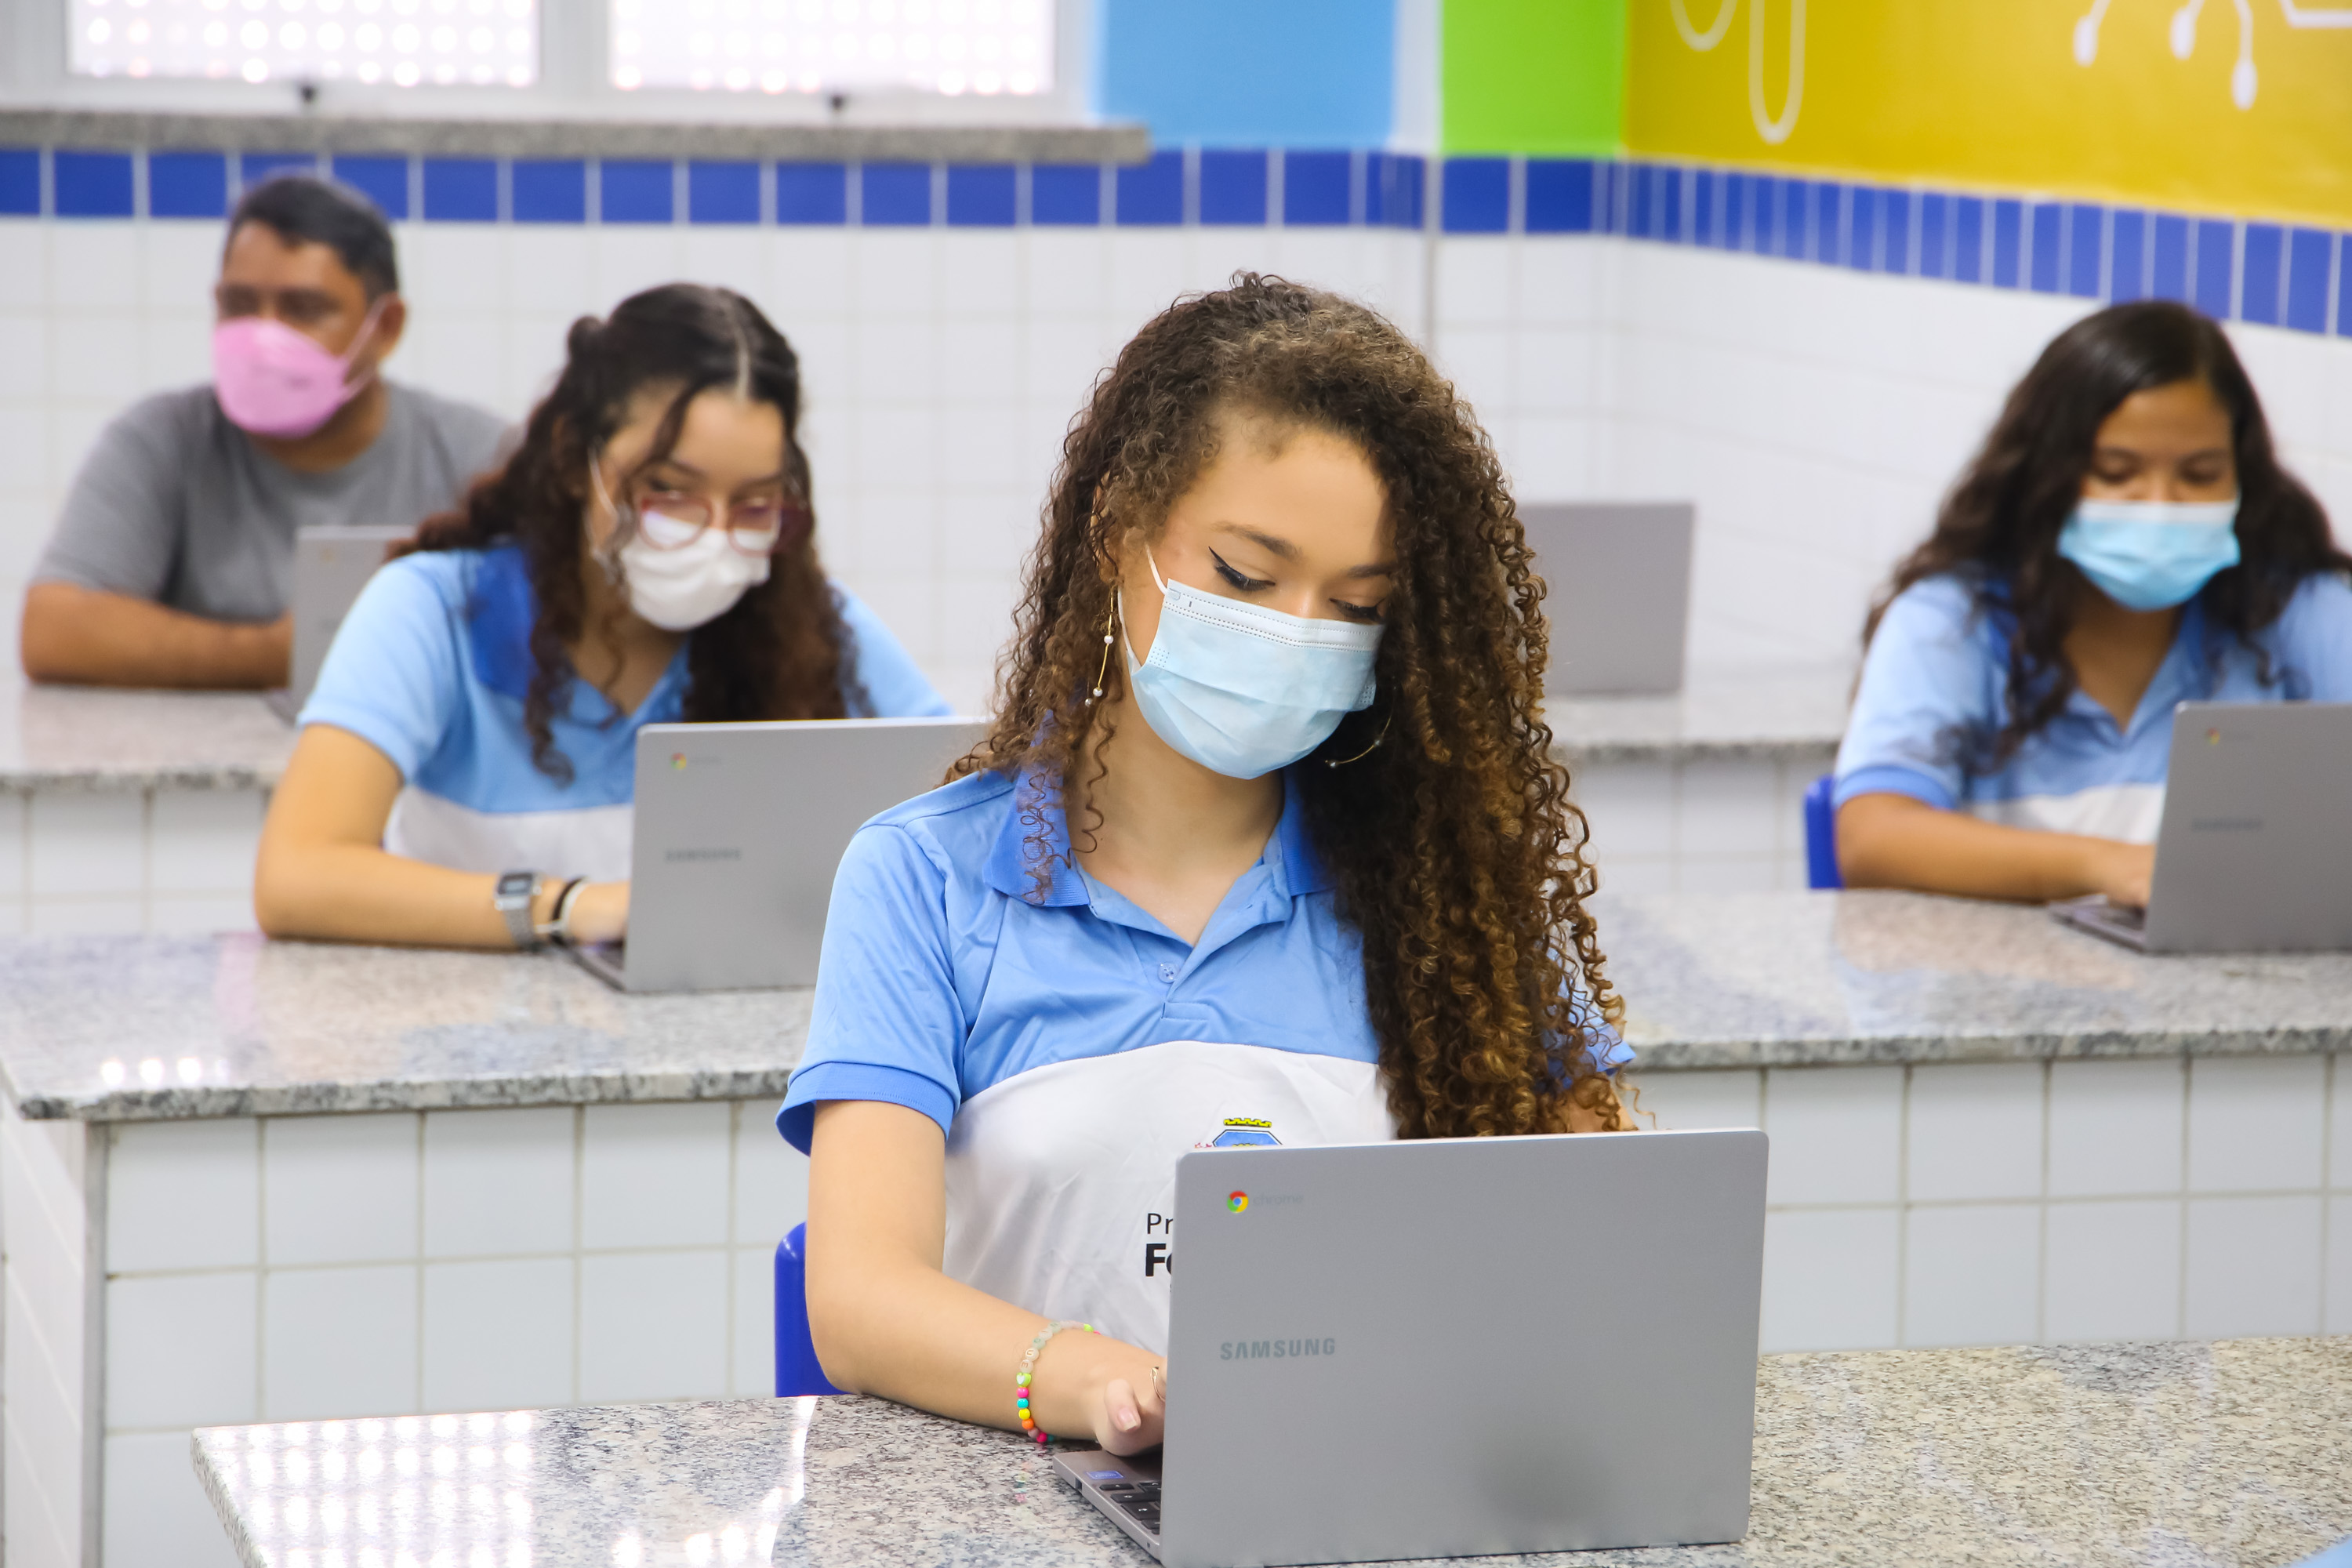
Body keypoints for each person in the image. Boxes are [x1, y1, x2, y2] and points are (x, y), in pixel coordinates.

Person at [783, 276, 1635, 1460]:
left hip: (1365, 1506)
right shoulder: (922, 881)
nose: (1295, 633)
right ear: (1121, 532)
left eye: (1355, 607)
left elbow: (1613, 1256)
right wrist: (1098, 1384)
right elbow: (860, 1302)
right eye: (1245, 576)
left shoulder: (1460, 901)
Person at [252, 283, 947, 949]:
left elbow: (976, 806)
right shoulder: (433, 611)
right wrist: (571, 907)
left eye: (755, 505)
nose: (713, 535)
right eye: (668, 492)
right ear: (572, 460)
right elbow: (298, 877)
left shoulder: (810, 625)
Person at [1835, 299, 2352, 903]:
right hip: (1999, 987)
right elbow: (1871, 837)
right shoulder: (1953, 621)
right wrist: (2111, 868)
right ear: (2047, 474)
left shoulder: (2300, 611)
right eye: (2116, 472)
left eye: (2200, 474)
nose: (2160, 503)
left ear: (2243, 477)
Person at [21, 174, 506, 691]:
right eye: (239, 305)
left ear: (385, 327)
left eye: (303, 309)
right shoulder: (161, 440)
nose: (265, 334)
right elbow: (54, 628)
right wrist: (275, 656)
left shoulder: (478, 454)